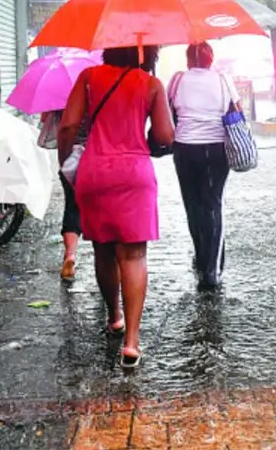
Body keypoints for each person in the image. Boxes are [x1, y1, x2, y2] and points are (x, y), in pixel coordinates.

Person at [57, 46, 174, 369]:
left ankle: (114, 317)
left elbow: (67, 126)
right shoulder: (151, 84)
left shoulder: (89, 77)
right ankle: (132, 343)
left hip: (95, 171)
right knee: (133, 256)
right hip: (135, 174)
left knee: (103, 250)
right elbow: (165, 136)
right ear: (145, 52)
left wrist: (65, 162)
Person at [168, 43, 239, 290]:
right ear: (211, 59)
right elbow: (236, 111)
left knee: (193, 205)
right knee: (213, 204)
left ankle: (201, 257)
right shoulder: (223, 80)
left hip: (184, 148)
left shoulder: (177, 80)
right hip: (216, 149)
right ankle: (212, 269)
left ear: (188, 60)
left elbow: (168, 111)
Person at [39, 109, 81, 281]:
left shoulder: (59, 98)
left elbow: (46, 119)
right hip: (100, 157)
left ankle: (70, 254)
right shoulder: (97, 94)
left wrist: (64, 159)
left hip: (71, 159)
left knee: (72, 208)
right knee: (101, 212)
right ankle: (108, 261)